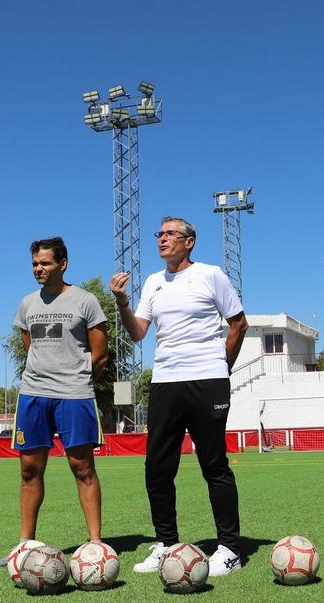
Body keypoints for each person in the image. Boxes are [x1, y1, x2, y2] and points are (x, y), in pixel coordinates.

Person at [110, 216, 249, 577]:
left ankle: (230, 549)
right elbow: (139, 332)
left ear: (190, 242)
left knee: (213, 465)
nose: (162, 239)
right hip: (165, 383)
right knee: (157, 468)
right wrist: (123, 302)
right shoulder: (154, 283)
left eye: (171, 234)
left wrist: (223, 367)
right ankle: (167, 543)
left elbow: (239, 323)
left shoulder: (210, 274)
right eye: (160, 234)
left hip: (207, 381)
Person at [0, 236, 109, 567]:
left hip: (75, 395)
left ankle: (95, 546)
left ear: (63, 264)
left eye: (45, 263)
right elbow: (30, 346)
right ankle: (25, 545)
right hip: (33, 394)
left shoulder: (85, 301)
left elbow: (100, 353)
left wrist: (77, 379)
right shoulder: (27, 303)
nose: (38, 269)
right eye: (34, 264)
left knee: (81, 467)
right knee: (29, 469)